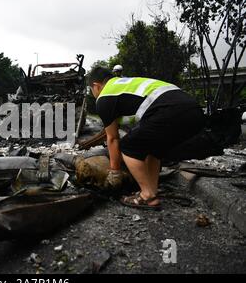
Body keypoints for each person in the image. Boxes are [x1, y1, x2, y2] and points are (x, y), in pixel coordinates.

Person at [88, 66, 205, 210]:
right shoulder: (126, 84)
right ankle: (152, 190)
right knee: (151, 149)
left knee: (128, 146)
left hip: (170, 109)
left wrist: (115, 172)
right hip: (194, 110)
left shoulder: (104, 97)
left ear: (96, 86)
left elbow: (112, 138)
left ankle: (147, 195)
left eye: (91, 90)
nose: (93, 94)